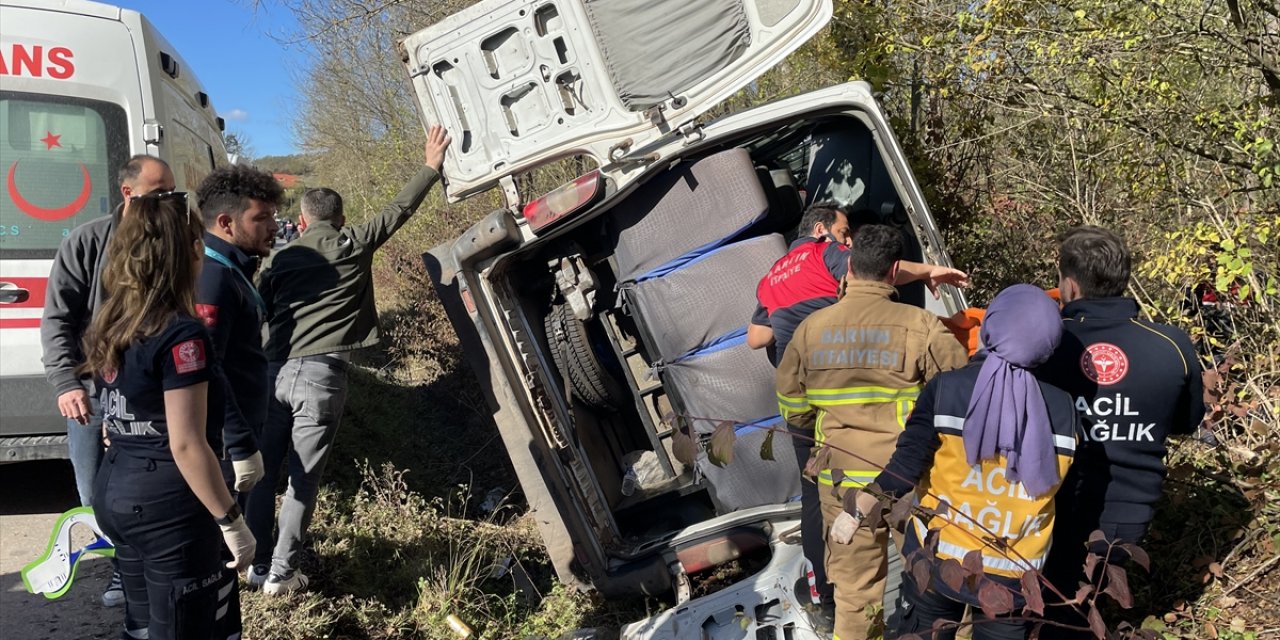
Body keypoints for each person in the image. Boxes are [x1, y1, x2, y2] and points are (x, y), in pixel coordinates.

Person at [245, 125, 452, 595]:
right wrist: (430, 166)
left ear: (301, 222)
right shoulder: (353, 243)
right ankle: (282, 572)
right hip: (322, 377)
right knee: (302, 480)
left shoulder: (278, 259)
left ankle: (257, 564)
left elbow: (260, 312)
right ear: (340, 219)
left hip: (275, 374)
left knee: (263, 475)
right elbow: (398, 210)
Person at [750, 203, 969, 628]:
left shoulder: (809, 329)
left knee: (855, 600)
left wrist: (816, 439)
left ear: (849, 272)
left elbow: (789, 396)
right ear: (892, 273)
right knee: (938, 584)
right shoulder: (921, 326)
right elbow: (962, 395)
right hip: (912, 480)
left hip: (844, 485)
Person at [838, 284, 1081, 640]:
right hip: (1014, 576)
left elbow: (907, 464)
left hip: (937, 562)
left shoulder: (947, 388)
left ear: (991, 326)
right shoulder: (1064, 410)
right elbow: (1069, 490)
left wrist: (857, 508)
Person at [80, 191, 255, 640]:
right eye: (197, 241)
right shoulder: (180, 334)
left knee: (141, 626)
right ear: (186, 251)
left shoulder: (112, 320)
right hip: (168, 511)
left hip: (116, 493)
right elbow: (186, 443)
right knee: (183, 627)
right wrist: (232, 521)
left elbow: (115, 414)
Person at [1039, 226, 1205, 638]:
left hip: (1051, 510)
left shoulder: (1045, 344)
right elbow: (1187, 422)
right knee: (1086, 607)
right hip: (1130, 521)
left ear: (1070, 285)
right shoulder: (1171, 346)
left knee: (1056, 614)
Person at [41, 154, 175, 610]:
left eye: (173, 194)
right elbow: (57, 319)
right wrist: (66, 383)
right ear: (128, 193)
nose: (169, 203)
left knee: (149, 489)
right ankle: (121, 568)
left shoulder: (168, 244)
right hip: (91, 394)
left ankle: (142, 571)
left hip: (147, 393)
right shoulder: (86, 242)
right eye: (160, 194)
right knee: (97, 491)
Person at [193, 165, 281, 637]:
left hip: (236, 436)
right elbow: (210, 369)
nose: (272, 227)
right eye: (261, 218)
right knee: (217, 558)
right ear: (226, 224)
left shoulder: (233, 268)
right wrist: (240, 442)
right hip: (224, 446)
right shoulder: (213, 278)